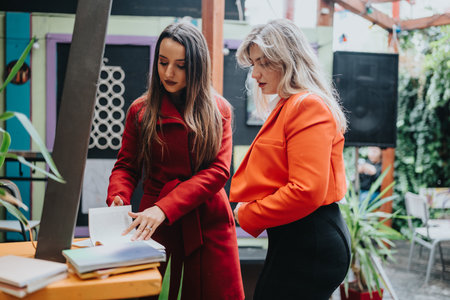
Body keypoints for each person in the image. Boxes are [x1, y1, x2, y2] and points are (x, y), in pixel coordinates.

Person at [106, 22, 244, 300]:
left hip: (207, 223)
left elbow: (218, 172)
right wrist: (118, 195)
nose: (168, 73)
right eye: (162, 62)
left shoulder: (220, 110)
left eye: (180, 65)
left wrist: (164, 208)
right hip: (152, 224)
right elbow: (126, 166)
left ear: (197, 67)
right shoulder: (140, 110)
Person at [230, 19, 351, 300]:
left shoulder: (306, 105)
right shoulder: (290, 104)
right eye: (253, 64)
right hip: (297, 237)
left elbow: (307, 190)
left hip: (311, 239)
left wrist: (248, 213)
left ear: (287, 60)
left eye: (262, 63)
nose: (255, 73)